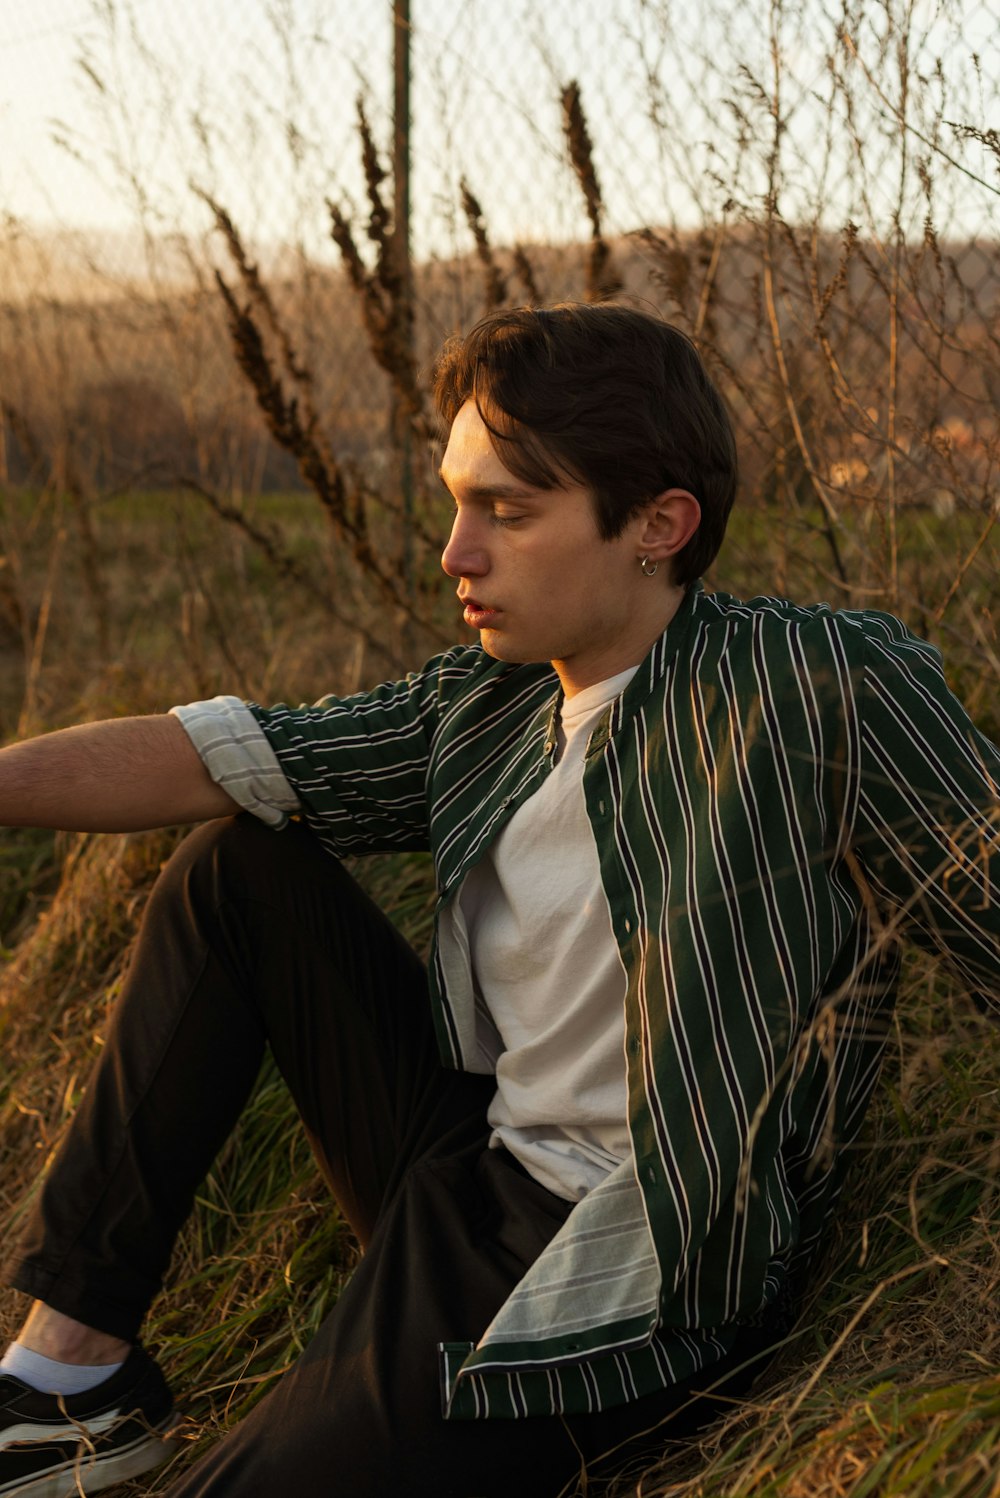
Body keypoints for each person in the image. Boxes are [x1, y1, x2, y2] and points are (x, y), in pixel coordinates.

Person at [0, 303, 996, 1498]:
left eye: (508, 512)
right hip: (467, 1155)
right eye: (457, 500)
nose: (454, 551)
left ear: (657, 525)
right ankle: (77, 1380)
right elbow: (219, 754)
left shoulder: (814, 689)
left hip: (624, 1265)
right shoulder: (485, 703)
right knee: (239, 868)